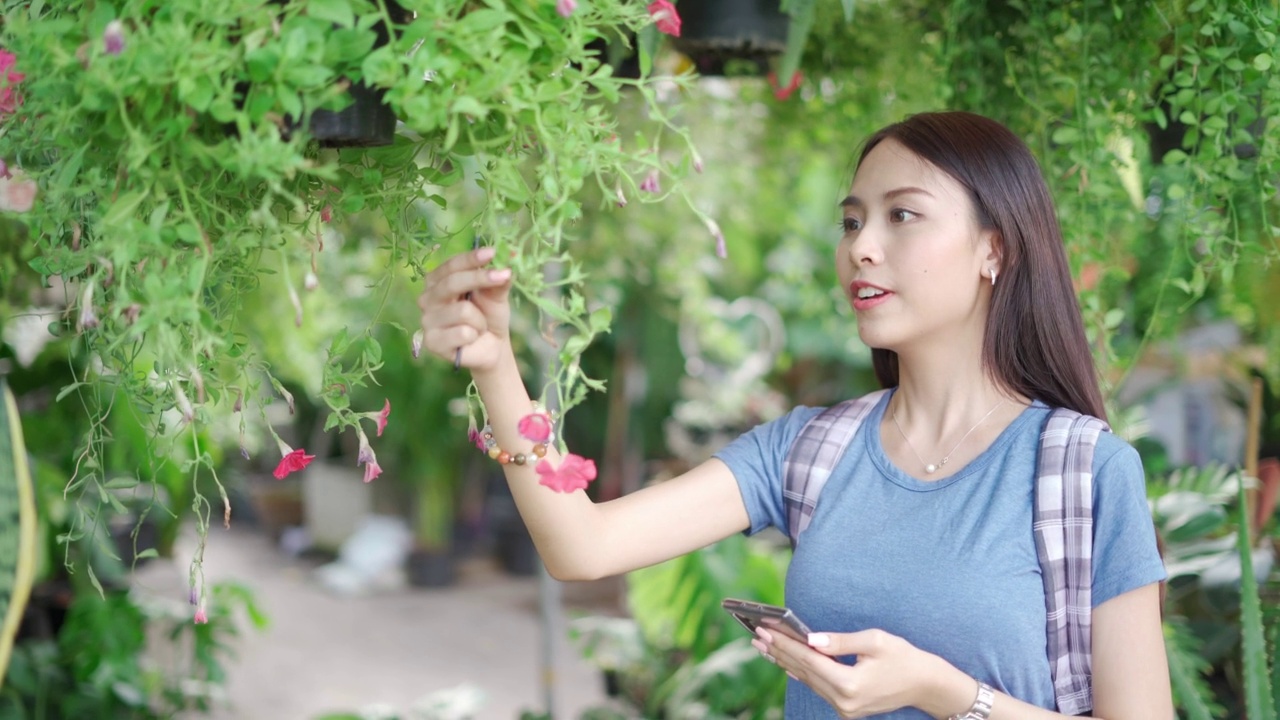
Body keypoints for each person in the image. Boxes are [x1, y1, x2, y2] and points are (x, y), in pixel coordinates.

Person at [416, 111, 1172, 719]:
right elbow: (583, 546)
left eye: (902, 216)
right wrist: (496, 366)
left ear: (994, 251)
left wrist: (940, 692)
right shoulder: (812, 449)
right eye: (852, 223)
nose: (862, 248)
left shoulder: (1084, 472)